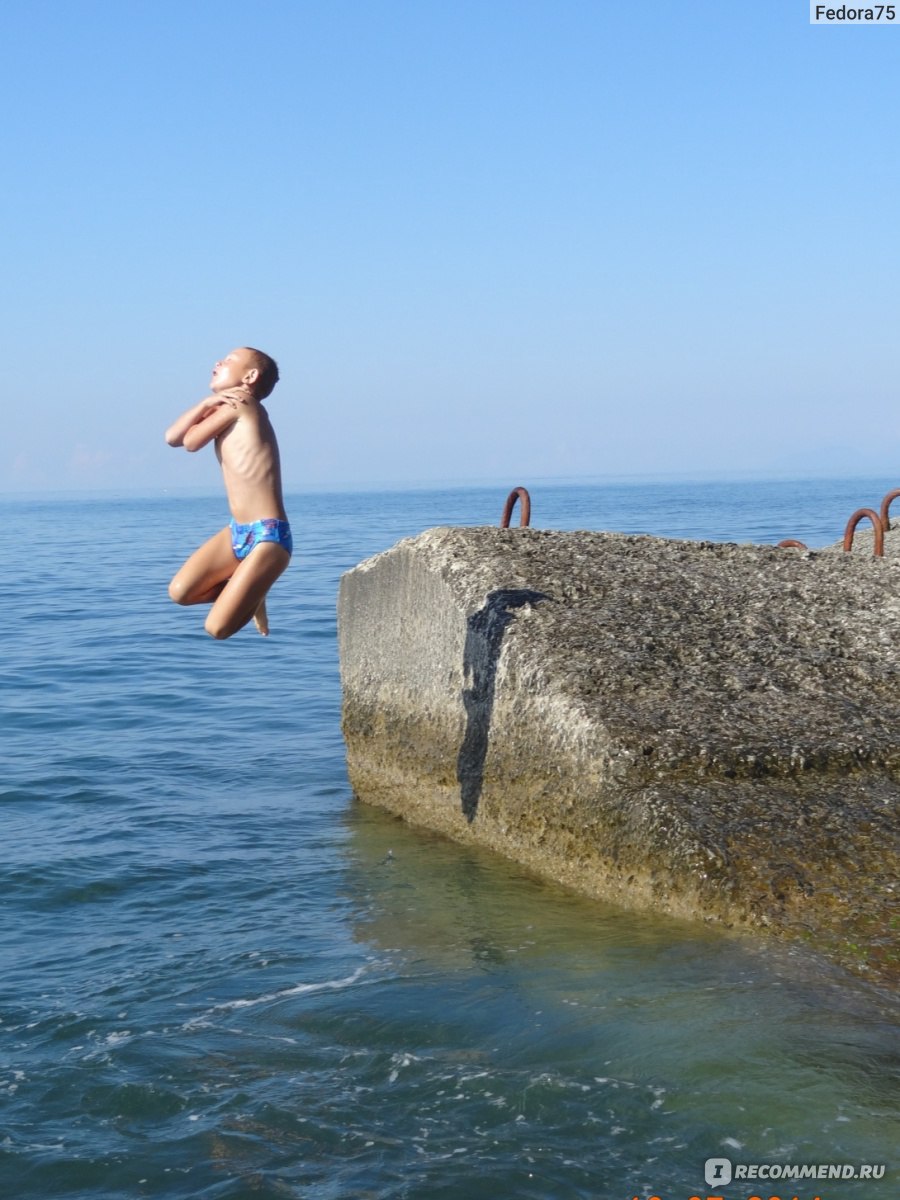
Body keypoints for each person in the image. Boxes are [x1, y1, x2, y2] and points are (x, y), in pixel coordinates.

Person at [165, 347, 292, 639]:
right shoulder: (225, 407)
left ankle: (255, 591)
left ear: (250, 376)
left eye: (229, 360)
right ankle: (250, 589)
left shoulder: (243, 404)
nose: (219, 361)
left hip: (268, 536)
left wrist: (208, 406)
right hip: (238, 531)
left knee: (216, 629)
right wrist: (207, 403)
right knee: (181, 593)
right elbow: (172, 438)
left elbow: (191, 441)